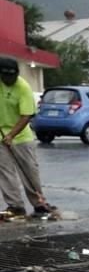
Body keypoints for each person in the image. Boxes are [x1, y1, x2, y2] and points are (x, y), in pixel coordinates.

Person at [0, 57, 53, 218]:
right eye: (6, 76)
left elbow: (26, 115)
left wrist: (11, 135)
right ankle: (15, 206)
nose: (10, 79)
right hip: (1, 136)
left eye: (13, 76)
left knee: (30, 172)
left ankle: (39, 204)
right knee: (6, 173)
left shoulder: (23, 87)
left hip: (21, 137)